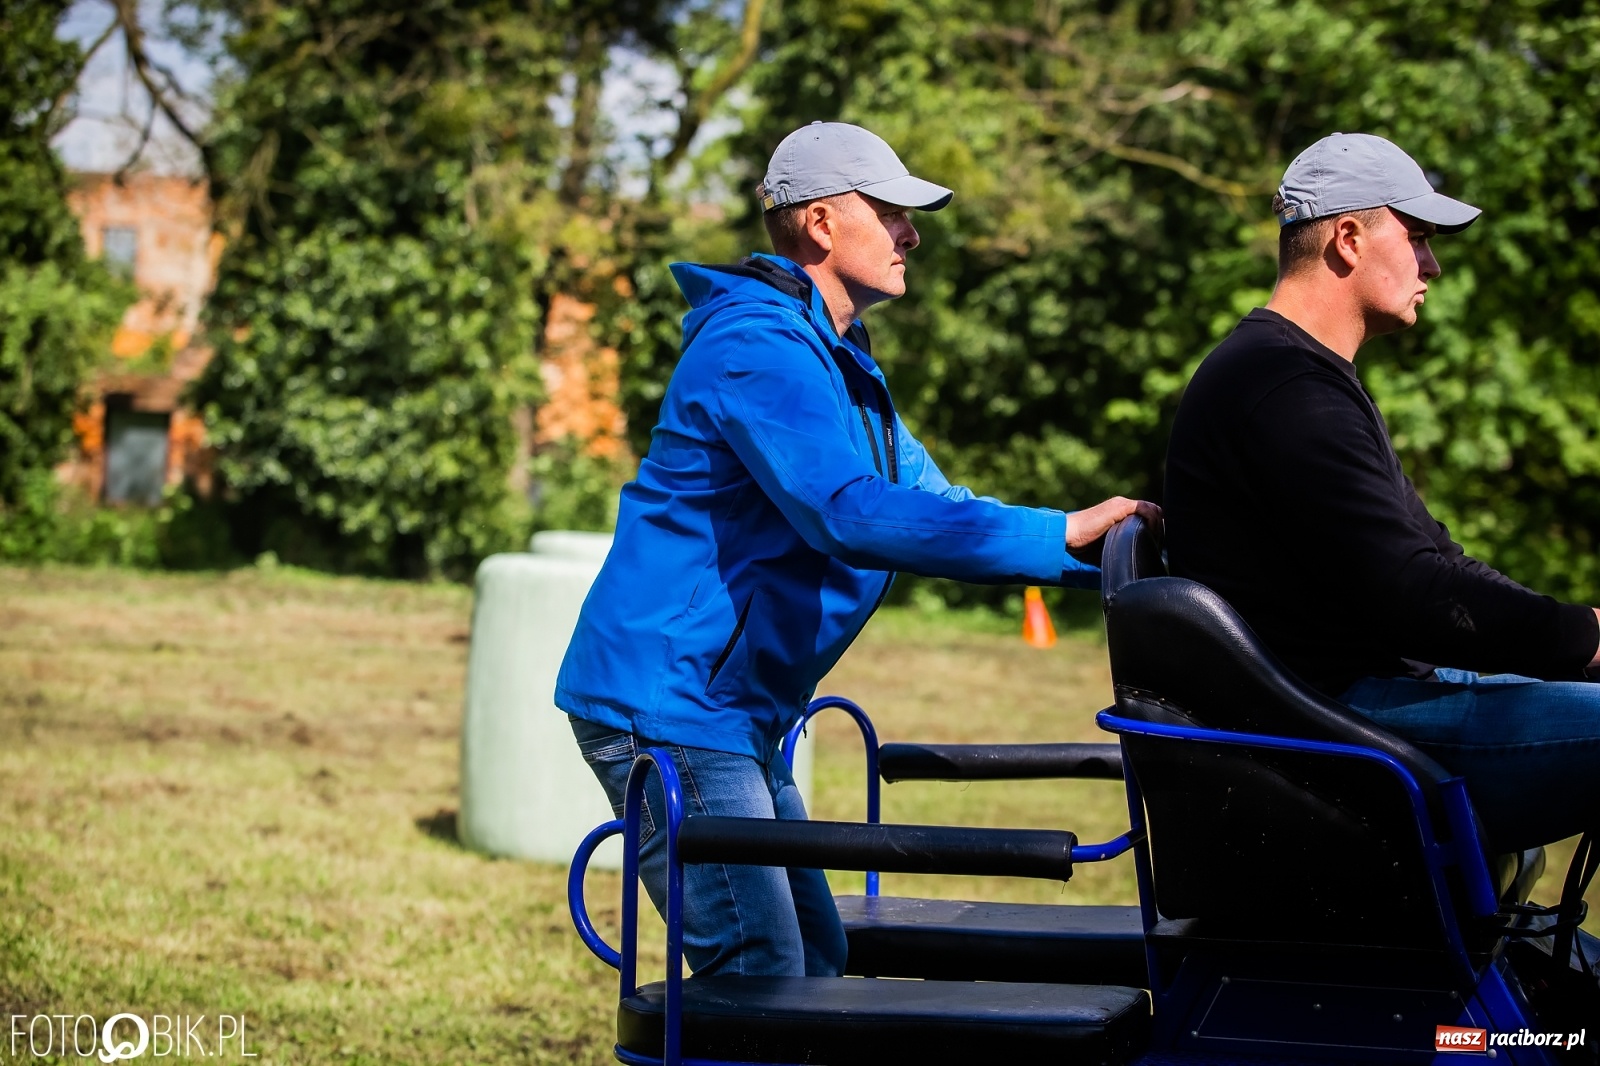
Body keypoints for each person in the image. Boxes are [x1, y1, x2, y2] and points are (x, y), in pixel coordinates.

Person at [556, 120, 1157, 978]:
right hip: (672, 706)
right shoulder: (756, 347)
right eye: (891, 211)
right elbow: (849, 512)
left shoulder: (835, 358)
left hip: (736, 713)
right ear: (822, 223)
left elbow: (932, 503)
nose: (913, 233)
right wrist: (1057, 532)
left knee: (820, 961)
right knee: (763, 970)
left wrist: (1097, 555)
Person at [1163, 132, 1600, 854]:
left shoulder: (1299, 377)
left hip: (1351, 710)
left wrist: (1574, 635)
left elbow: (1439, 561)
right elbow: (1415, 597)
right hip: (1337, 732)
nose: (1432, 264)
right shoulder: (1286, 389)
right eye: (1419, 236)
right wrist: (1582, 638)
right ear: (1348, 238)